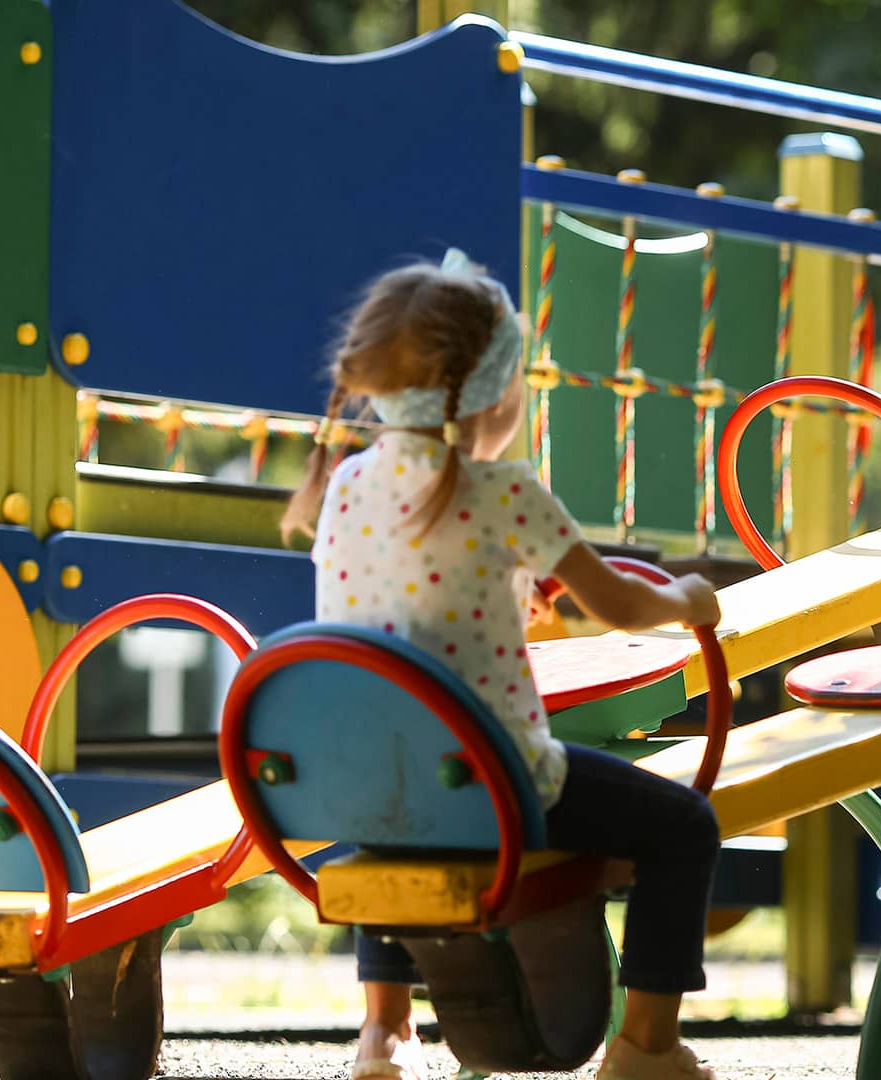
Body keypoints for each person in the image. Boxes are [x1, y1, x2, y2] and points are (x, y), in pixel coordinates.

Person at [282, 251, 726, 1080]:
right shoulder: (506, 491)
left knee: (395, 793)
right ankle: (647, 1049)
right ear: (494, 393)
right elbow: (622, 605)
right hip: (500, 786)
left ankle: (383, 1035)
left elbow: (404, 612)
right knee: (683, 827)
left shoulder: (345, 487)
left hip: (367, 786)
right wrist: (691, 601)